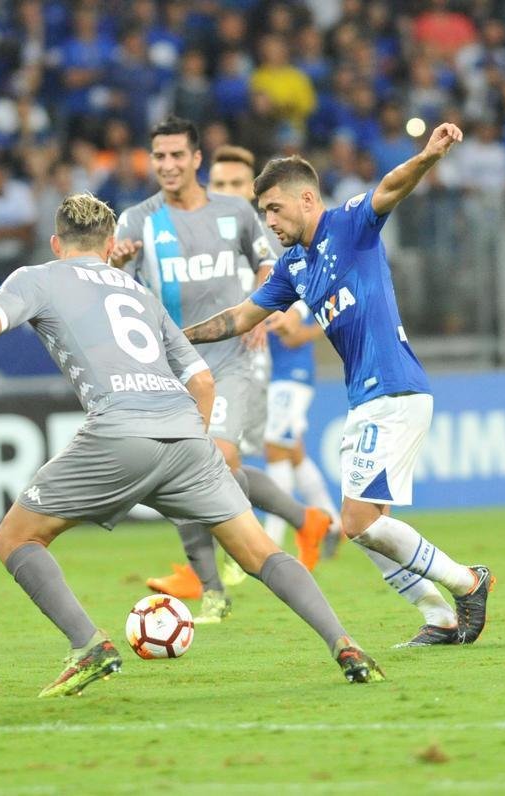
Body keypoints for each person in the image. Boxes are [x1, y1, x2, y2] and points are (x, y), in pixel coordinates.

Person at [0, 193, 383, 693]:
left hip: (118, 430)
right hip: (184, 432)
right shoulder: (138, 291)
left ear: (55, 243)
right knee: (261, 552)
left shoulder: (38, 277)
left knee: (15, 538)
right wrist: (192, 453)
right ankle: (345, 644)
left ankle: (89, 644)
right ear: (111, 243)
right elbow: (201, 381)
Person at [180, 124, 495, 647]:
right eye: (264, 214)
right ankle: (439, 616)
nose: (270, 221)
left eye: (276, 209)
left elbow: (391, 186)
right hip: (366, 398)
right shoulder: (294, 266)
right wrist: (175, 339)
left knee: (356, 520)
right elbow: (239, 317)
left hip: (394, 390)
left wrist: (428, 156)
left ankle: (469, 582)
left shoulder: (349, 225)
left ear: (307, 198)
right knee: (370, 530)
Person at [110, 116, 330, 623]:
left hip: (232, 359)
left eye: (175, 156)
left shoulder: (235, 212)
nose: (166, 165)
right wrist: (117, 265)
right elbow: (110, 286)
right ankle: (288, 530)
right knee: (197, 472)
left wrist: (261, 308)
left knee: (212, 458)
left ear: (195, 160)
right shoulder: (136, 221)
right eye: (158, 156)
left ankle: (221, 578)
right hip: (170, 365)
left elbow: (270, 263)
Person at [207, 145, 343, 560]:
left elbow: (327, 297)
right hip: (260, 364)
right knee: (293, 450)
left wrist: (306, 329)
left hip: (291, 365)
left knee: (276, 448)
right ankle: (330, 524)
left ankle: (272, 541)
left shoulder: (284, 239)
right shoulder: (226, 237)